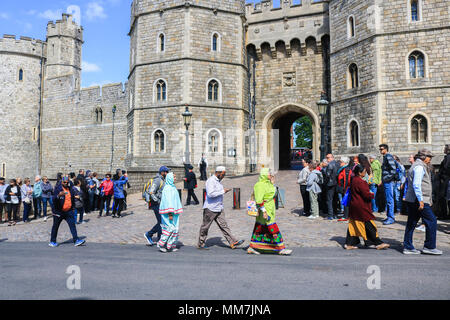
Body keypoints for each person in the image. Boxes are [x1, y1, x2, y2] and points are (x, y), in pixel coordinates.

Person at [403, 149, 442, 255]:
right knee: (431, 220)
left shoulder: (417, 165)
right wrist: (421, 200)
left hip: (414, 199)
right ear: (424, 157)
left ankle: (408, 246)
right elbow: (417, 185)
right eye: (429, 157)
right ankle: (429, 246)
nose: (430, 159)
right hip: (418, 200)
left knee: (412, 222)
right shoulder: (419, 167)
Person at [197, 166, 244, 250]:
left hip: (219, 207)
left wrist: (223, 192)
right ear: (218, 173)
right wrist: (223, 191)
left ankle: (232, 242)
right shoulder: (211, 181)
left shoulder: (218, 182)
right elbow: (210, 194)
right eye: (223, 174)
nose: (223, 176)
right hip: (210, 208)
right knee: (205, 226)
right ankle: (201, 243)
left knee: (224, 225)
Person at [248, 168, 292, 255]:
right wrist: (264, 211)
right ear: (264, 174)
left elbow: (273, 193)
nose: (270, 175)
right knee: (272, 227)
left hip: (270, 208)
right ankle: (280, 248)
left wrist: (273, 183)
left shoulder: (268, 184)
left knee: (260, 228)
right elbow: (259, 200)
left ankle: (253, 247)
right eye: (269, 173)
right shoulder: (259, 185)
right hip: (264, 209)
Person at [344, 164, 390, 250]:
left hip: (355, 206)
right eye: (364, 172)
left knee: (354, 225)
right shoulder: (361, 182)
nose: (365, 173)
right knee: (369, 225)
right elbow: (366, 195)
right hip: (361, 207)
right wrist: (371, 194)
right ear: (359, 172)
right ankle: (377, 242)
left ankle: (350, 243)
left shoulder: (354, 180)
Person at [49, 176, 86, 247]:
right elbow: (53, 199)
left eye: (67, 182)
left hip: (68, 211)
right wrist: (58, 195)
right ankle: (52, 241)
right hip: (59, 212)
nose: (66, 183)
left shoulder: (70, 189)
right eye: (64, 182)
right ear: (61, 182)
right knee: (55, 226)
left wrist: (72, 208)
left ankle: (76, 240)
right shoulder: (58, 189)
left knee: (72, 225)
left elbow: (72, 199)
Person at [157, 172, 183, 253]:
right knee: (169, 228)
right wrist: (170, 213)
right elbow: (168, 202)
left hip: (175, 212)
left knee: (175, 228)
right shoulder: (167, 188)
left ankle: (170, 245)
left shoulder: (173, 187)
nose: (175, 178)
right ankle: (161, 244)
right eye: (174, 177)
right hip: (169, 212)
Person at [144, 166, 170, 246]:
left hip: (160, 204)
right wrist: (158, 201)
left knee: (161, 221)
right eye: (166, 172)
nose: (167, 173)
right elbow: (151, 192)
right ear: (162, 172)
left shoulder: (162, 180)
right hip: (157, 204)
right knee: (161, 222)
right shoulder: (158, 180)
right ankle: (149, 234)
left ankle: (160, 239)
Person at [379, 144, 397, 225]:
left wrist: (387, 178)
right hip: (387, 181)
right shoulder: (385, 157)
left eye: (382, 149)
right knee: (388, 199)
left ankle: (391, 218)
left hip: (389, 182)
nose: (380, 150)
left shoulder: (388, 156)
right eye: (380, 149)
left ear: (386, 149)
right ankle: (389, 216)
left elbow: (393, 169)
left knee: (390, 200)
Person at [324, 154, 339, 220]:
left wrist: (325, 183)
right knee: (335, 199)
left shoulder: (330, 164)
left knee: (329, 200)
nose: (327, 159)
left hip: (330, 184)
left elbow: (328, 175)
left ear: (332, 157)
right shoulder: (337, 164)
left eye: (328, 158)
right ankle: (335, 213)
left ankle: (330, 215)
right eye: (326, 158)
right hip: (336, 183)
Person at [337, 157, 352, 221]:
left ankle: (346, 216)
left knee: (346, 202)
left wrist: (345, 188)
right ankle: (346, 215)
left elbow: (348, 180)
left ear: (345, 163)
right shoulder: (342, 169)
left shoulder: (347, 169)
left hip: (346, 188)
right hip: (343, 187)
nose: (340, 163)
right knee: (345, 201)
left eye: (341, 162)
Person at [438, 145, 450, 220]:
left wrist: (441, 176)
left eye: (445, 149)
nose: (443, 150)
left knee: (442, 197)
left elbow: (446, 168)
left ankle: (444, 214)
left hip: (446, 179)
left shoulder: (448, 157)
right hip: (446, 178)